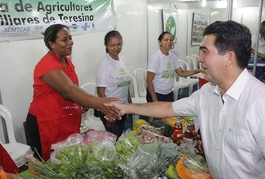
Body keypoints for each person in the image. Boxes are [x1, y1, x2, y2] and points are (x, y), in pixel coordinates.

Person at [105, 21, 265, 178]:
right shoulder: (207, 93)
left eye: (205, 52)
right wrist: (126, 107)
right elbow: (168, 108)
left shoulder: (259, 102)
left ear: (229, 58)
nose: (199, 58)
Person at [26, 24, 120, 161]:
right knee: (52, 164)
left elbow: (74, 88)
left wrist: (81, 102)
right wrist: (100, 103)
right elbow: (68, 90)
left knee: (69, 162)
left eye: (70, 38)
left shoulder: (66, 61)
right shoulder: (47, 64)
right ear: (51, 43)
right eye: (64, 39)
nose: (70, 42)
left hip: (66, 121)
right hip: (47, 124)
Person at [146, 31, 201, 137]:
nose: (169, 42)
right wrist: (154, 99)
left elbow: (181, 73)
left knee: (168, 118)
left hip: (168, 93)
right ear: (159, 42)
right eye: (166, 39)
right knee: (157, 122)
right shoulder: (155, 57)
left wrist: (197, 71)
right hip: (156, 93)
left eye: (171, 40)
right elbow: (149, 80)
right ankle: (154, 139)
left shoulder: (172, 57)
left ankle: (166, 139)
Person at [96, 30, 132, 139]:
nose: (116, 48)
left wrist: (130, 103)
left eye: (119, 44)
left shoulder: (123, 60)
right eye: (112, 45)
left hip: (123, 106)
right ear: (106, 45)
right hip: (112, 109)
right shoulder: (103, 64)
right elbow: (100, 92)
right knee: (113, 138)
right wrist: (110, 113)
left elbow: (125, 83)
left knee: (119, 134)